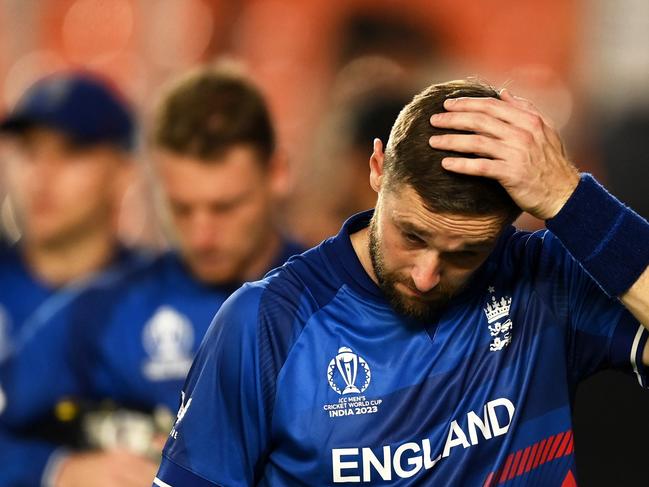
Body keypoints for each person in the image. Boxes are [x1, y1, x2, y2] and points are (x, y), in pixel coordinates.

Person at [153, 79, 649, 486]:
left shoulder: (546, 286)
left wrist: (569, 197)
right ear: (377, 169)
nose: (426, 275)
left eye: (466, 254)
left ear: (511, 222)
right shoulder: (267, 323)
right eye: (411, 234)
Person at [0, 66, 303, 487]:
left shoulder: (343, 301)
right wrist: (58, 469)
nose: (202, 234)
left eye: (225, 207)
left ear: (277, 174)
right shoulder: (103, 312)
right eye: (180, 208)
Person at [0, 71, 142, 362]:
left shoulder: (159, 293)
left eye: (71, 152)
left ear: (123, 172)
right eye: (29, 151)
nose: (41, 175)